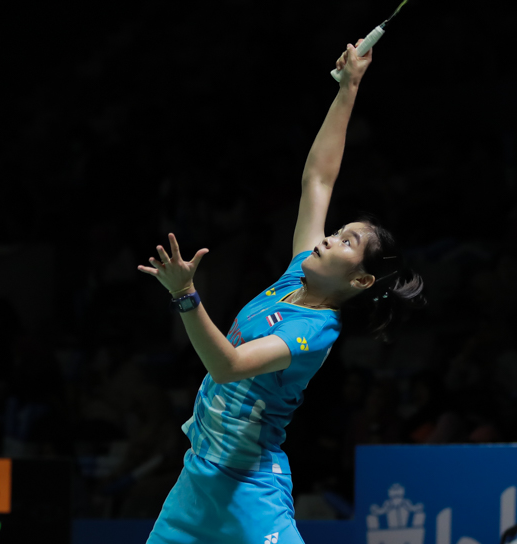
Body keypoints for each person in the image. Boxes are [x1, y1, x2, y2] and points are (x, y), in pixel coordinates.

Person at [138, 40, 426, 544]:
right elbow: (318, 178)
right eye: (337, 231)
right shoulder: (297, 275)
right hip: (197, 479)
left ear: (360, 281)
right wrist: (348, 87)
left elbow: (228, 365)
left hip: (249, 487)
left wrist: (186, 295)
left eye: (346, 242)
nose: (328, 238)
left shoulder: (316, 330)